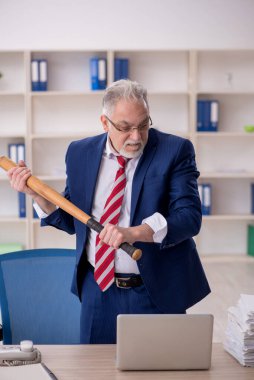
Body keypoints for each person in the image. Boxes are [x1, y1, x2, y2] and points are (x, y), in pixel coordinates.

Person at [8, 79, 211, 344]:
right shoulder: (79, 153)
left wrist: (135, 232)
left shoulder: (175, 150)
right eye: (125, 128)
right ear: (105, 123)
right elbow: (73, 221)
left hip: (156, 290)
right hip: (97, 290)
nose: (136, 136)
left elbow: (189, 217)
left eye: (143, 125)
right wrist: (36, 195)